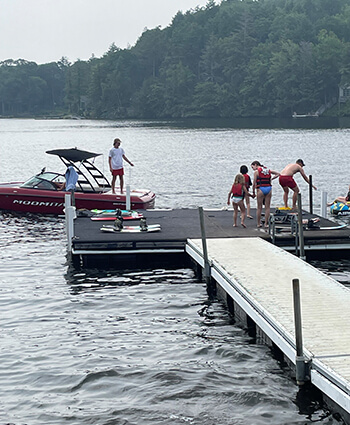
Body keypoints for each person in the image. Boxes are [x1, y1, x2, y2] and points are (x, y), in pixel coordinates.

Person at [251, 160, 279, 228]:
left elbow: (254, 183)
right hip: (269, 189)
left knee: (259, 207)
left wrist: (253, 192)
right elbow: (278, 174)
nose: (253, 169)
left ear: (255, 165)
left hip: (261, 189)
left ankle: (258, 223)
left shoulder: (256, 172)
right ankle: (266, 224)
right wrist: (271, 179)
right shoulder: (268, 170)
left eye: (252, 167)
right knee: (267, 207)